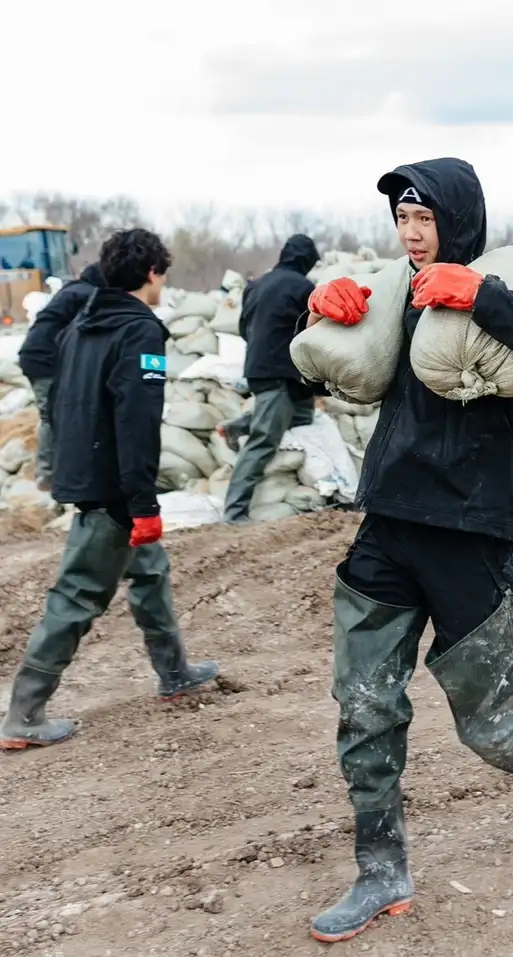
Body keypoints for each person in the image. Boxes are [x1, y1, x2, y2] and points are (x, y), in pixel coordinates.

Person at [306, 159, 513, 944]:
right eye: (401, 217)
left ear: (460, 220)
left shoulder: (501, 288)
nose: (409, 233)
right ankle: (381, 869)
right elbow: (301, 366)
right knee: (364, 702)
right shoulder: (394, 291)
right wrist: (317, 310)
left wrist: (484, 298)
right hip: (388, 523)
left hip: (474, 535)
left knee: (493, 730)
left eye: (424, 218)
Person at [0, 228, 219, 751]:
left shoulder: (83, 324)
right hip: (114, 487)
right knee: (76, 595)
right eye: (162, 273)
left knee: (149, 572)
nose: (163, 282)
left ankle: (174, 672)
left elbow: (66, 407)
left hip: (90, 475)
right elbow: (136, 422)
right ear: (151, 274)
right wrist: (141, 502)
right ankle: (24, 714)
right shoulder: (139, 331)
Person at [222, 234, 320, 524]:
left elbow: (243, 327)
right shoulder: (303, 287)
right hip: (281, 372)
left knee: (302, 416)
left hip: (258, 368)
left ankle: (241, 423)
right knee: (263, 441)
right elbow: (313, 331)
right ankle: (234, 511)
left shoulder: (256, 285)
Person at [18, 262, 106, 490]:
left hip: (39, 357)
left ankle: (56, 471)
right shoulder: (86, 295)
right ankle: (47, 476)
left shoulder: (74, 291)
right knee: (52, 416)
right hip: (43, 360)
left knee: (58, 414)